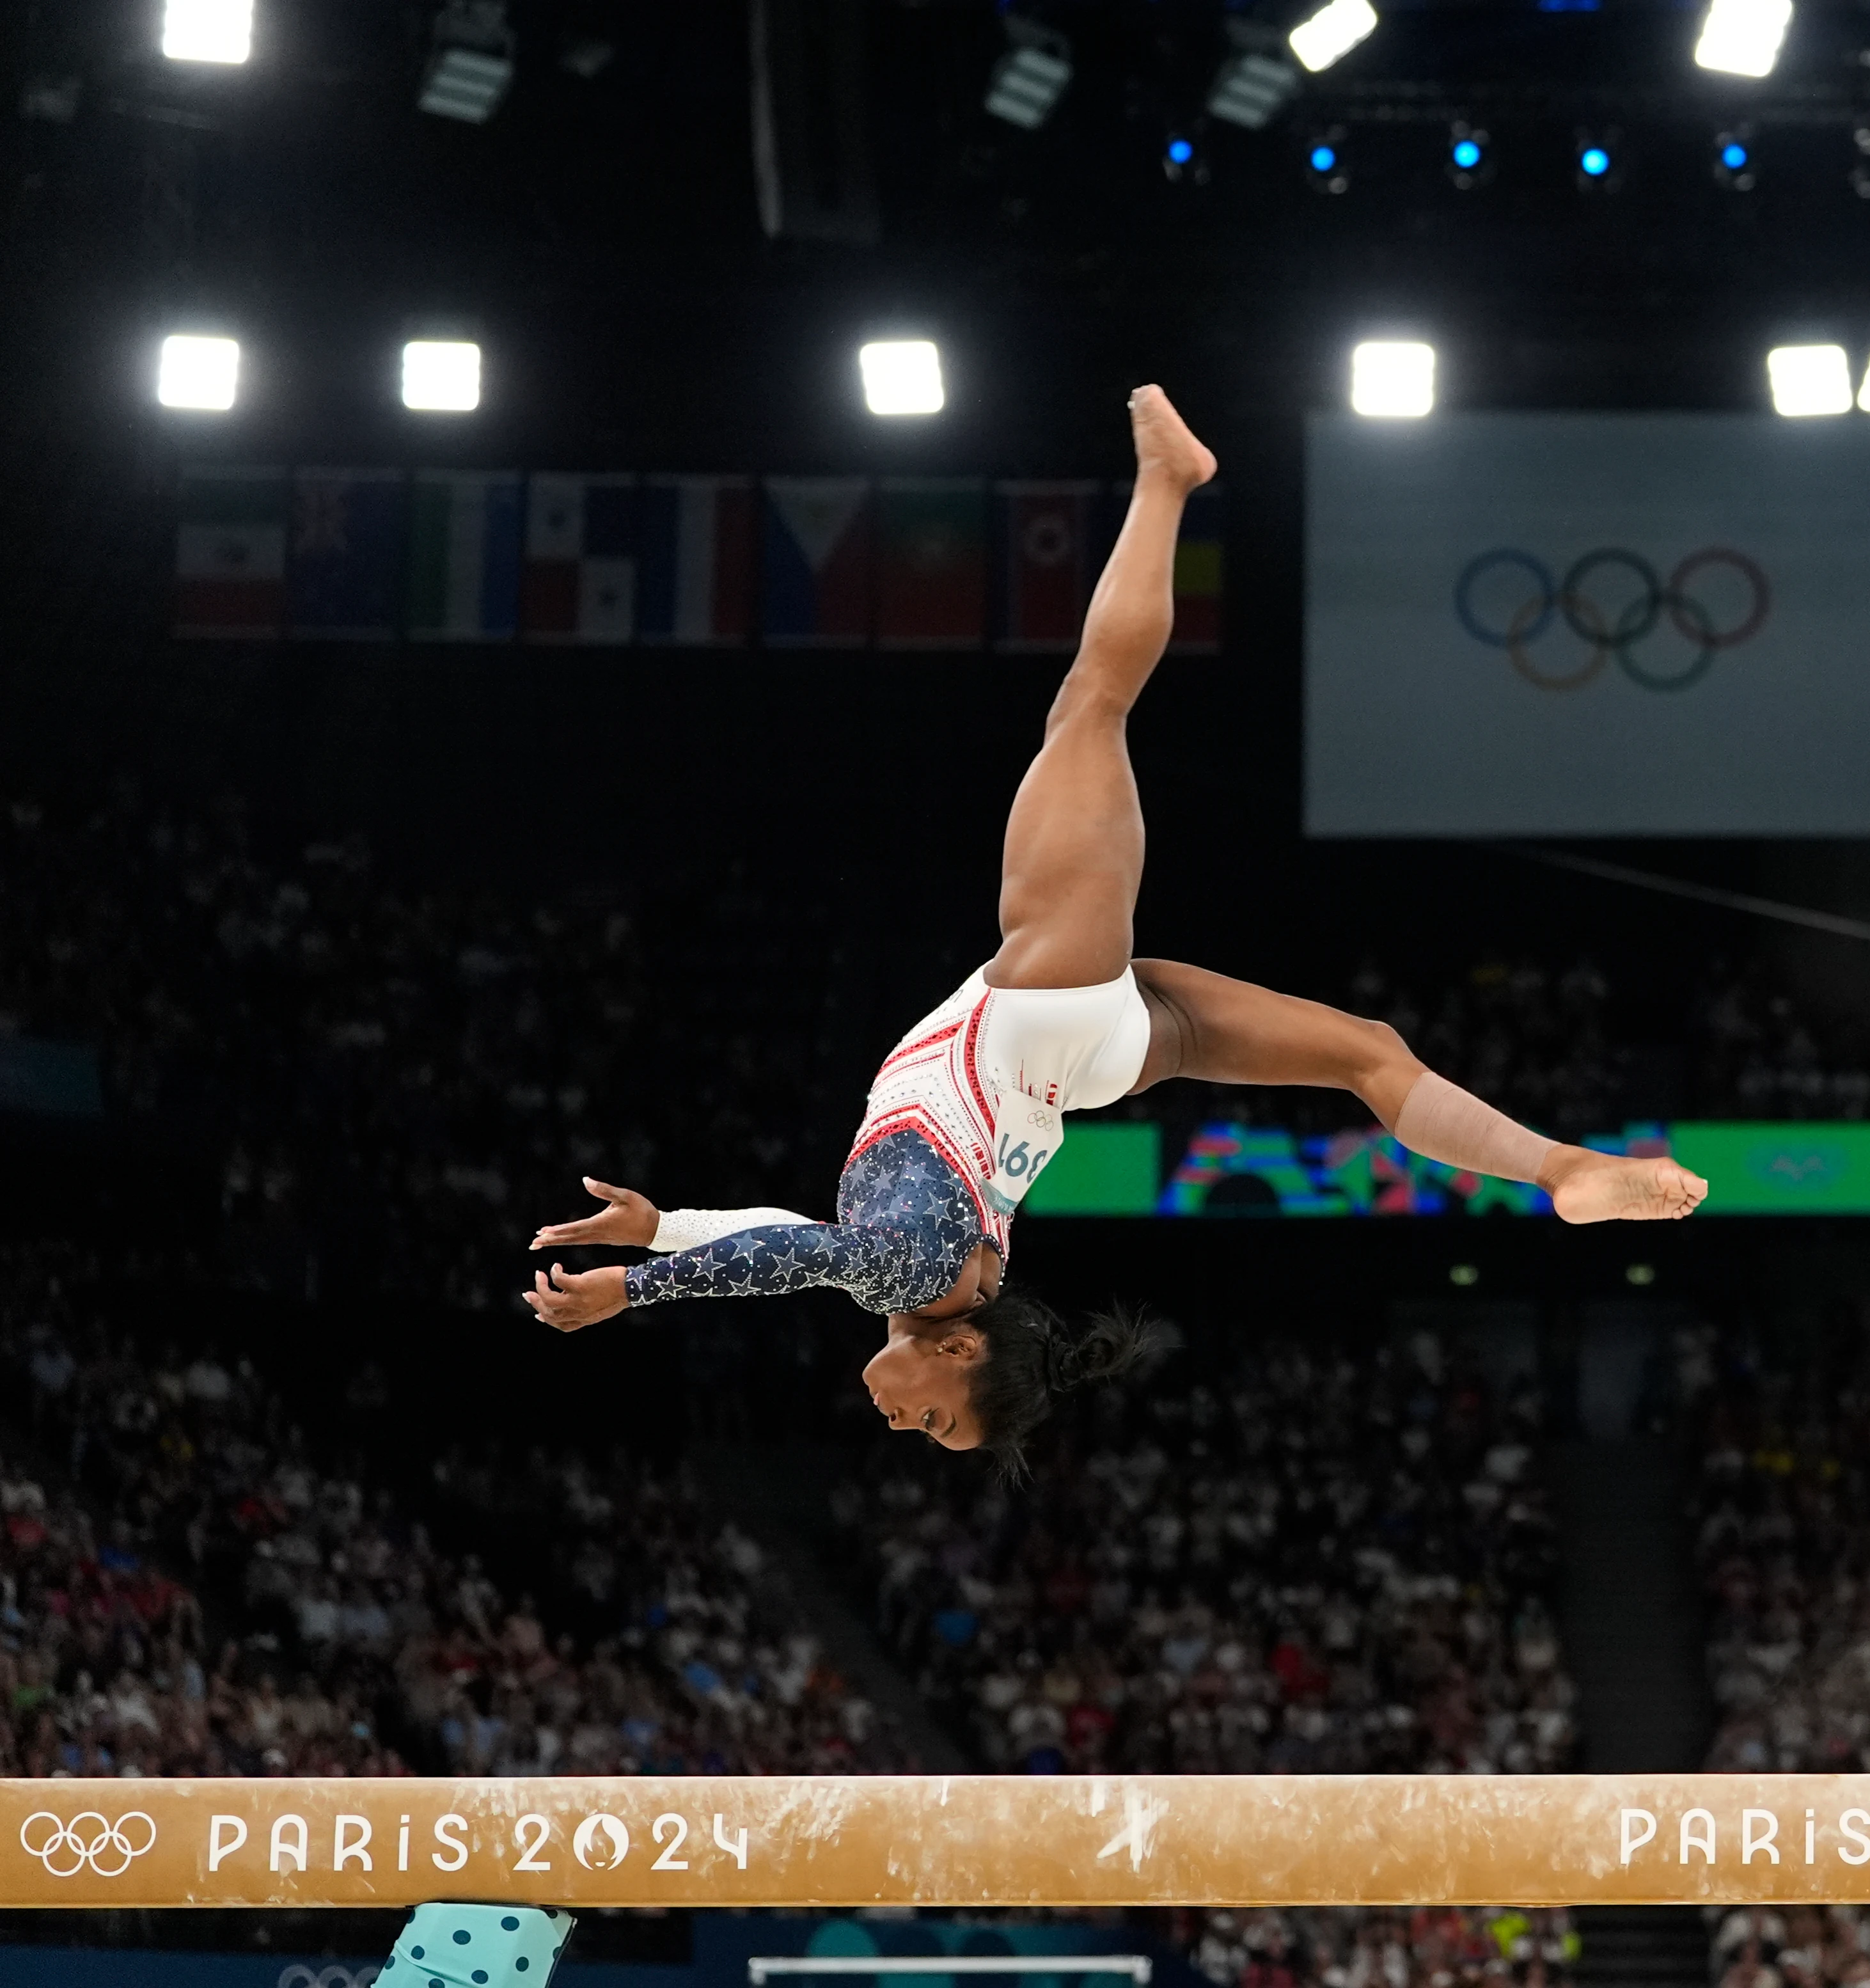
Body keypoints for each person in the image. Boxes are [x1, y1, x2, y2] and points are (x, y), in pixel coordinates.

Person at [524, 386, 1707, 1464]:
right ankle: (1168, 482)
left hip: (1094, 1059)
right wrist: (640, 1293)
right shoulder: (921, 1269)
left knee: (1365, 1054)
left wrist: (668, 1227)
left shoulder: (928, 1275)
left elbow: (804, 1242)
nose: (900, 1419)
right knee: (1092, 703)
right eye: (935, 1418)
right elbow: (808, 1257)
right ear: (962, 1353)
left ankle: (1559, 1168)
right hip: (1047, 1008)